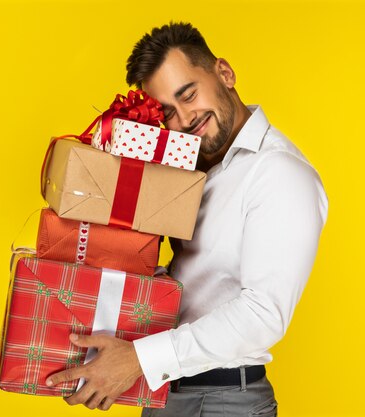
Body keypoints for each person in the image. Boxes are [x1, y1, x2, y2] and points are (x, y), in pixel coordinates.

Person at [46, 22, 328, 416]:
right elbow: (198, 286)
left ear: (225, 74)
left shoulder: (278, 173)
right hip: (166, 392)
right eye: (168, 113)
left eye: (188, 94)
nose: (184, 119)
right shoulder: (191, 170)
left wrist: (138, 360)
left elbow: (265, 314)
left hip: (224, 402)